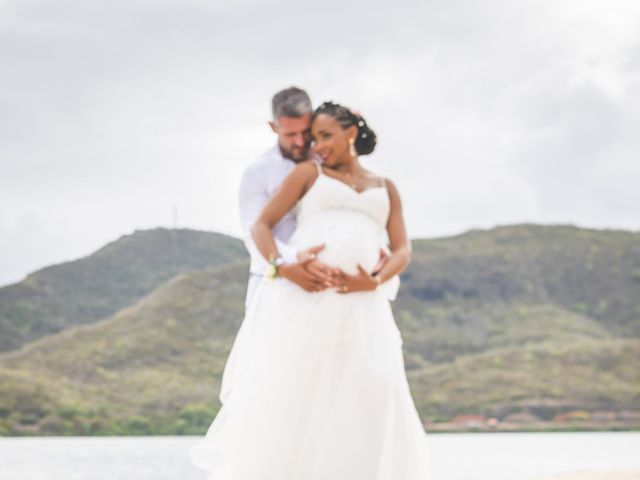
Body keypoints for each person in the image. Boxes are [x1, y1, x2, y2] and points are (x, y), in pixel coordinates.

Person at [189, 100, 429, 479]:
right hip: (307, 299)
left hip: (363, 304)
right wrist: (281, 266)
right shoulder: (307, 174)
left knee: (373, 388)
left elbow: (403, 249)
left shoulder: (387, 188)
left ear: (351, 132)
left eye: (326, 135)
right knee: (296, 389)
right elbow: (261, 226)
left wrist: (376, 280)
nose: (317, 144)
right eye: (314, 137)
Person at [238, 87, 341, 308]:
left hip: (324, 279)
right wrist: (290, 261)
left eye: (305, 132)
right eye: (290, 134)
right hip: (271, 277)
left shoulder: (329, 162)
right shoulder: (258, 172)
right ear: (273, 127)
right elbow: (252, 231)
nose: (300, 141)